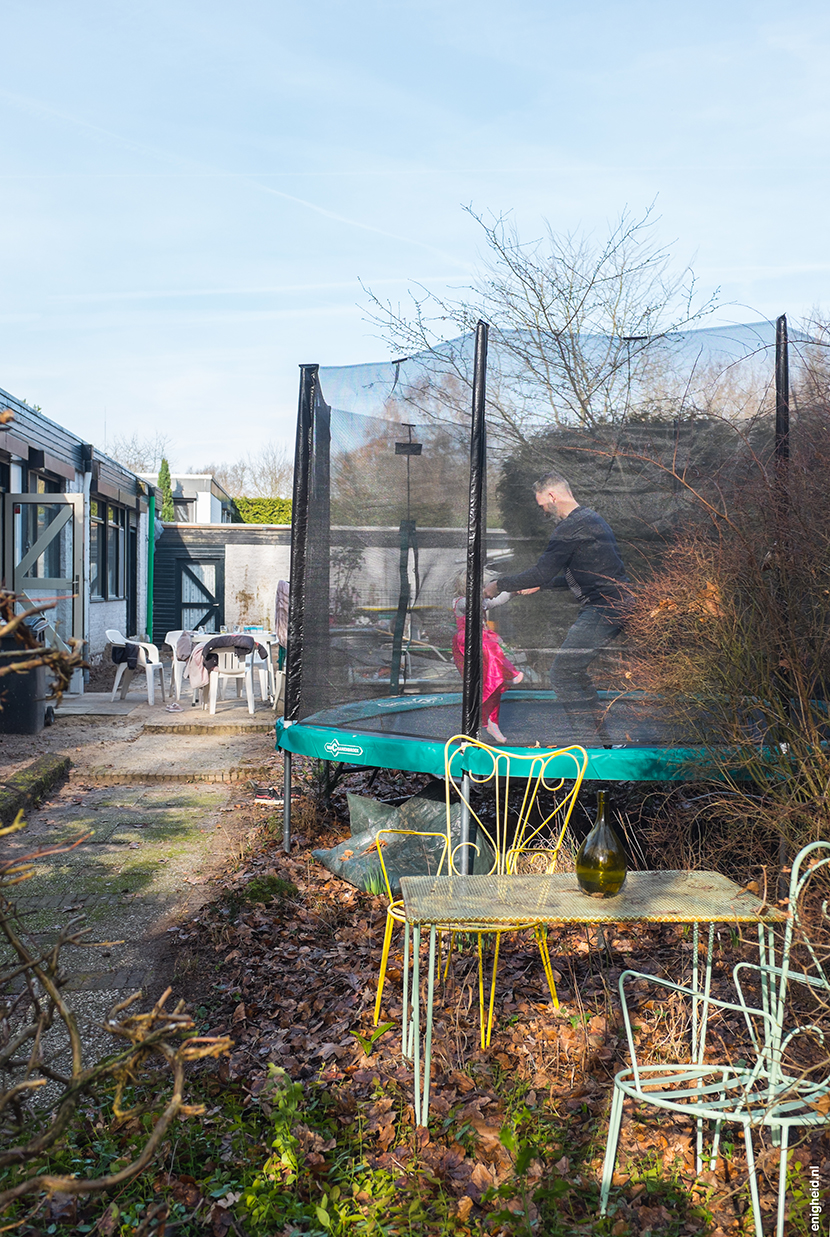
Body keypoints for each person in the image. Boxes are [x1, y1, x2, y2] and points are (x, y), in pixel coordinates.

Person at [484, 470, 630, 742]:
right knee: (573, 672)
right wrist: (545, 585)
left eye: (541, 504)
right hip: (614, 604)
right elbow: (589, 573)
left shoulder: (570, 528)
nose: (543, 511)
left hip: (604, 608)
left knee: (562, 674)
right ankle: (602, 739)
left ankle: (588, 746)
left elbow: (540, 571)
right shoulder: (591, 519)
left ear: (551, 496)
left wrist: (498, 584)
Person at [452, 572, 523, 744]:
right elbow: (471, 604)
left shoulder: (482, 601)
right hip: (468, 642)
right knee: (490, 646)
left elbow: (496, 601)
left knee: (493, 685)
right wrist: (486, 592)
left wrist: (515, 592)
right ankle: (509, 674)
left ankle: (492, 723)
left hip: (482, 641)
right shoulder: (459, 602)